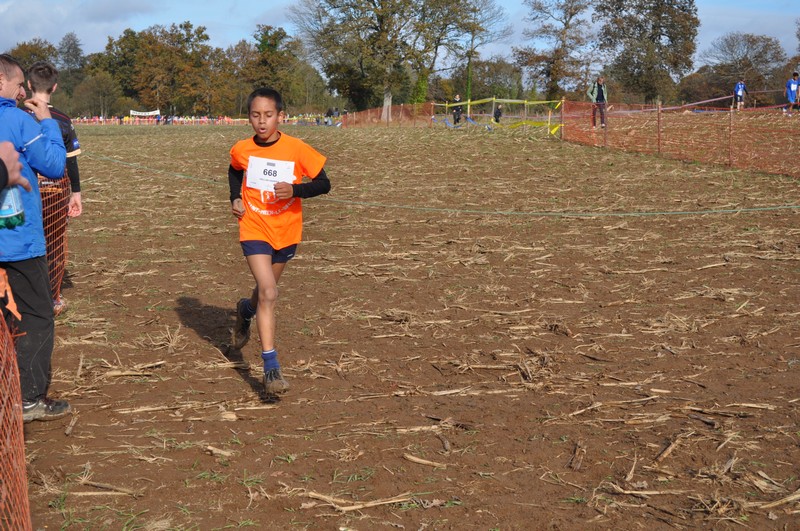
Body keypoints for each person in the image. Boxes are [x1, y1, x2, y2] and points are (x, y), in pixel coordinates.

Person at [228, 88, 331, 394]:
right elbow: (234, 170)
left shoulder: (296, 148)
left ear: (280, 116)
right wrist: (235, 197)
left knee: (264, 293)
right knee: (270, 292)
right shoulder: (242, 149)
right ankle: (271, 368)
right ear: (249, 117)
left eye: (268, 115)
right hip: (254, 227)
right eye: (255, 115)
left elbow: (324, 183)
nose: (262, 121)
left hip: (286, 231)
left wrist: (296, 191)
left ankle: (246, 310)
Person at [0, 54, 69, 422]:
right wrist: (46, 121)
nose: (21, 92)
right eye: (17, 85)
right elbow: (54, 165)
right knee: (37, 315)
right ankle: (29, 399)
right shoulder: (18, 120)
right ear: (2, 83)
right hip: (17, 240)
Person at [26, 61, 83, 315]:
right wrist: (76, 193)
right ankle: (52, 297)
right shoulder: (62, 119)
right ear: (55, 87)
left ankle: (22, 296)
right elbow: (71, 161)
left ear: (28, 84)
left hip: (24, 191)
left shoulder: (16, 115)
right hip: (56, 193)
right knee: (55, 243)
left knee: (22, 239)